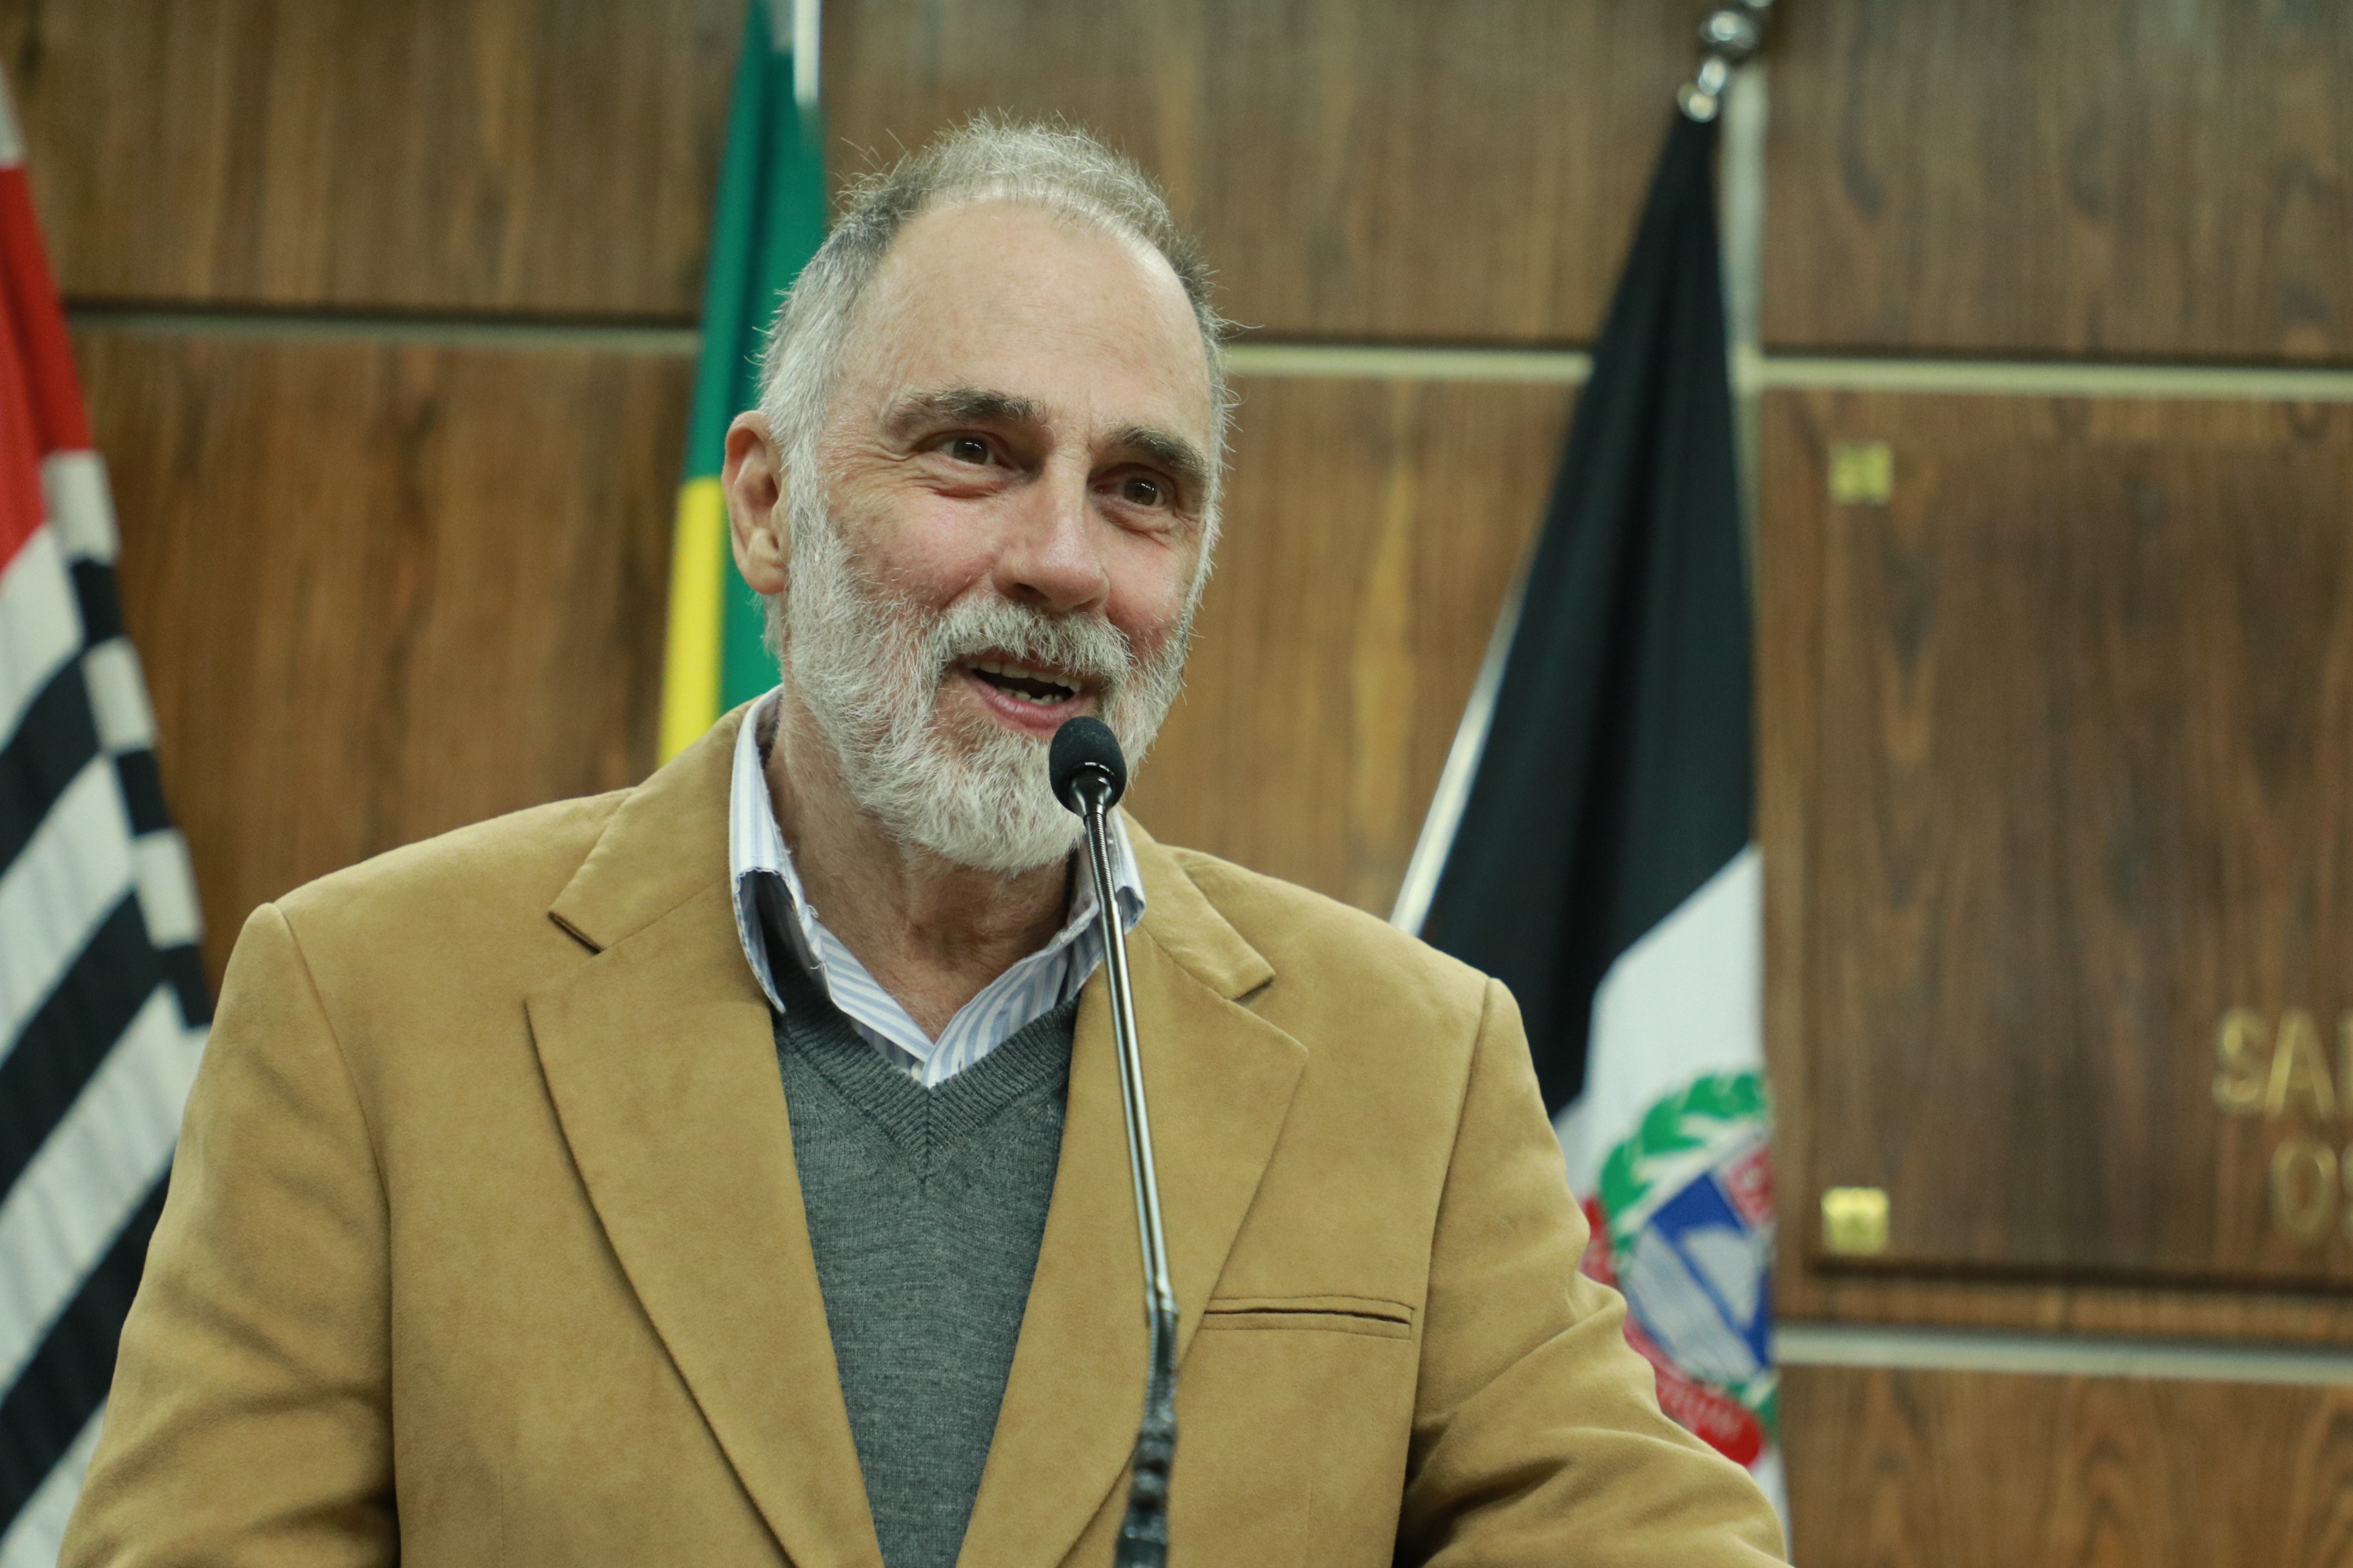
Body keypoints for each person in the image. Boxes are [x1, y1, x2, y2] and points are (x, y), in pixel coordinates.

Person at [62, 121, 1785, 1568]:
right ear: (768, 509)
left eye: (1140, 490)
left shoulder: (1411, 1064)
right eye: (975, 453)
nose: (1064, 561)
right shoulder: (364, 1003)